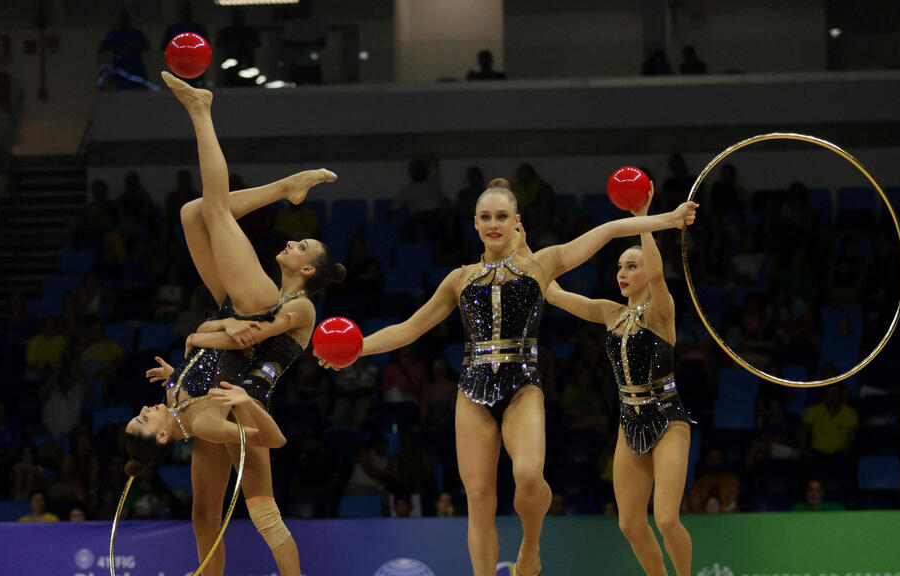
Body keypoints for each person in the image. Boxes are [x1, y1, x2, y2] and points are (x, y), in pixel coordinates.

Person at [318, 179, 697, 576]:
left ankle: (530, 548)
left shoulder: (539, 264)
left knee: (529, 477)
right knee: (479, 498)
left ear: (517, 222)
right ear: (475, 224)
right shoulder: (458, 278)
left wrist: (663, 219)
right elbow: (410, 328)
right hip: (472, 390)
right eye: (486, 217)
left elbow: (604, 232)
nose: (493, 223)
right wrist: (358, 347)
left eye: (502, 216)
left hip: (523, 386)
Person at [123, 71, 344, 576]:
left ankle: (266, 170)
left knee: (194, 212)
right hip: (245, 332)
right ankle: (201, 110)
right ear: (158, 438)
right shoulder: (197, 421)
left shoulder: (180, 411)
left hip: (232, 318)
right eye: (142, 419)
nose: (141, 409)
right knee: (213, 212)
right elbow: (259, 424)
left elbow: (202, 342)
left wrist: (186, 357)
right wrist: (232, 381)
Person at [544, 197, 695, 575]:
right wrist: (525, 252)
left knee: (665, 519)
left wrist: (643, 220)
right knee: (629, 523)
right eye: (619, 268)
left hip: (667, 418)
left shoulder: (662, 312)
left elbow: (659, 276)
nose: (622, 273)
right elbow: (555, 293)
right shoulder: (611, 313)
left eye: (632, 266)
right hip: (629, 423)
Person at [99, 11, 150, 89]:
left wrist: (133, 48)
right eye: (123, 20)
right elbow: (103, 47)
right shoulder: (114, 34)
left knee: (139, 92)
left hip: (136, 69)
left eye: (127, 20)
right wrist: (119, 48)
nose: (125, 23)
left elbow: (147, 46)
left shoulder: (137, 34)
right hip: (120, 70)